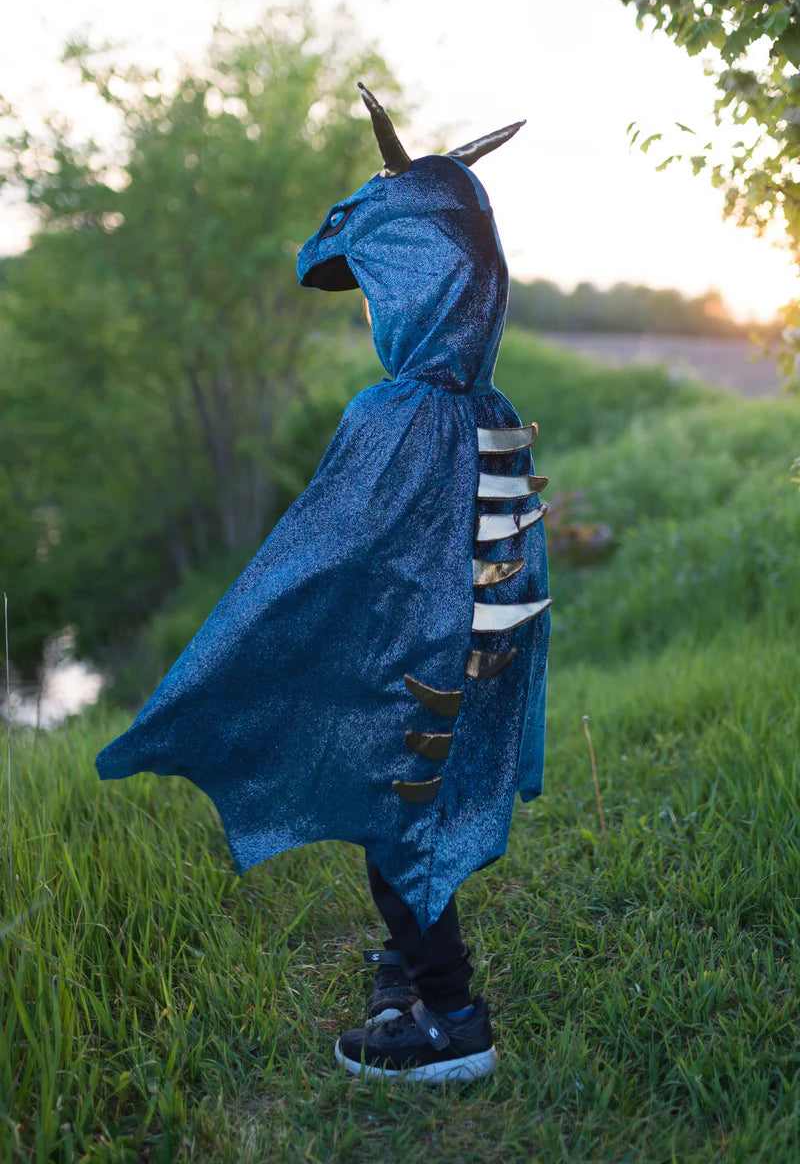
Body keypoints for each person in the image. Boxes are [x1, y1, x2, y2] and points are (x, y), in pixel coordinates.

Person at [96, 84, 551, 1083]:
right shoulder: (484, 406)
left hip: (426, 658)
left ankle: (448, 1022)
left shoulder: (398, 414)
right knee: (413, 794)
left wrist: (231, 659)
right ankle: (411, 967)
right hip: (467, 649)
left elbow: (323, 554)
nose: (373, 310)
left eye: (381, 284)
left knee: (395, 804)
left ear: (419, 285)